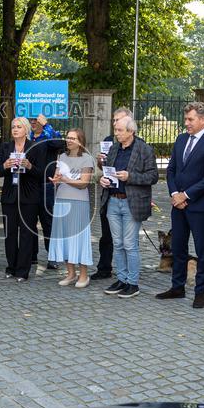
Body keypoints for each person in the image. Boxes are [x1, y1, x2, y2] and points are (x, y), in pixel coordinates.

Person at [157, 102, 204, 309]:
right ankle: (177, 286)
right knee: (178, 246)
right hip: (178, 205)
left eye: (190, 119)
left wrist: (185, 195)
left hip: (200, 205)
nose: (186, 123)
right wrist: (174, 194)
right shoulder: (181, 139)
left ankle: (200, 291)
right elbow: (171, 170)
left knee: (202, 248)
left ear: (202, 120)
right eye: (185, 119)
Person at [99, 117, 158, 298]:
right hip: (113, 200)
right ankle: (121, 279)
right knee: (117, 243)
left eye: (119, 130)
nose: (116, 133)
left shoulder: (144, 149)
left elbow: (153, 176)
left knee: (130, 244)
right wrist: (103, 179)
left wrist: (130, 176)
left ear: (131, 131)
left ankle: (133, 283)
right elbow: (107, 170)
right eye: (115, 130)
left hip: (132, 202)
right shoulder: (114, 148)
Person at [0, 117, 46, 282]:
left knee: (26, 233)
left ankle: (23, 271)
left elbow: (42, 173)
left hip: (29, 197)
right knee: (9, 234)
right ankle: (11, 266)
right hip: (9, 196)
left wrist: (29, 166)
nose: (15, 129)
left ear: (26, 130)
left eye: (19, 127)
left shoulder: (35, 147)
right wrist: (5, 166)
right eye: (13, 127)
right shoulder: (6, 147)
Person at [48, 128, 95, 287]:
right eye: (68, 137)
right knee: (65, 237)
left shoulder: (87, 159)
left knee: (78, 238)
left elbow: (83, 183)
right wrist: (55, 180)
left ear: (80, 142)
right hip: (61, 200)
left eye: (73, 138)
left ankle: (84, 275)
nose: (68, 140)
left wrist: (65, 179)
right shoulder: (61, 156)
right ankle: (71, 273)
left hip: (79, 202)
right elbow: (58, 176)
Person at [92, 107, 133, 281]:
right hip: (109, 195)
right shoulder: (109, 140)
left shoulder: (138, 144)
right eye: (114, 120)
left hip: (128, 197)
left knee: (128, 239)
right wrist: (100, 161)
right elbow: (104, 167)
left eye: (119, 120)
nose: (115, 123)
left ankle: (129, 273)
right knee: (106, 235)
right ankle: (104, 268)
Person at [30, 114, 66, 270]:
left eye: (36, 120)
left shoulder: (49, 137)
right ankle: (31, 256)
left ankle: (52, 257)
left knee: (48, 222)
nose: (33, 122)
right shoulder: (27, 137)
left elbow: (61, 143)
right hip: (29, 185)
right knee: (29, 221)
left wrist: (47, 126)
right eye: (31, 120)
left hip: (46, 186)